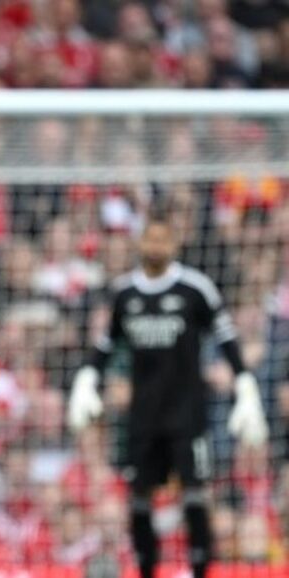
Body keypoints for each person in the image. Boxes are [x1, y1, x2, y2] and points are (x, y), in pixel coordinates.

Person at [66, 215, 268, 578]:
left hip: (187, 415)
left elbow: (226, 339)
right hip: (143, 417)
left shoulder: (196, 289)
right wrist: (86, 379)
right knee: (140, 497)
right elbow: (105, 345)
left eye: (163, 239)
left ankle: (201, 569)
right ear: (140, 243)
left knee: (195, 494)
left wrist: (245, 387)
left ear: (174, 244)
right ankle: (146, 570)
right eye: (151, 239)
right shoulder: (125, 293)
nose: (156, 246)